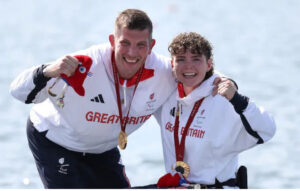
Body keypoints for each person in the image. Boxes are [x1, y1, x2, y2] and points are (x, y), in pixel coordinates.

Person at [10, 9, 232, 188]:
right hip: (55, 141)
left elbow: (195, 73)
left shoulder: (164, 72)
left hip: (102, 148)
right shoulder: (85, 64)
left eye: (140, 45)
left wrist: (227, 83)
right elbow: (18, 92)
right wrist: (47, 70)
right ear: (112, 41)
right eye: (125, 43)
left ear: (151, 46)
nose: (132, 53)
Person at [150, 32, 276, 189]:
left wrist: (238, 99)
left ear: (209, 64)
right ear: (172, 64)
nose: (188, 66)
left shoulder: (224, 98)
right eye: (181, 59)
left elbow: (267, 130)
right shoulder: (166, 92)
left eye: (196, 59)